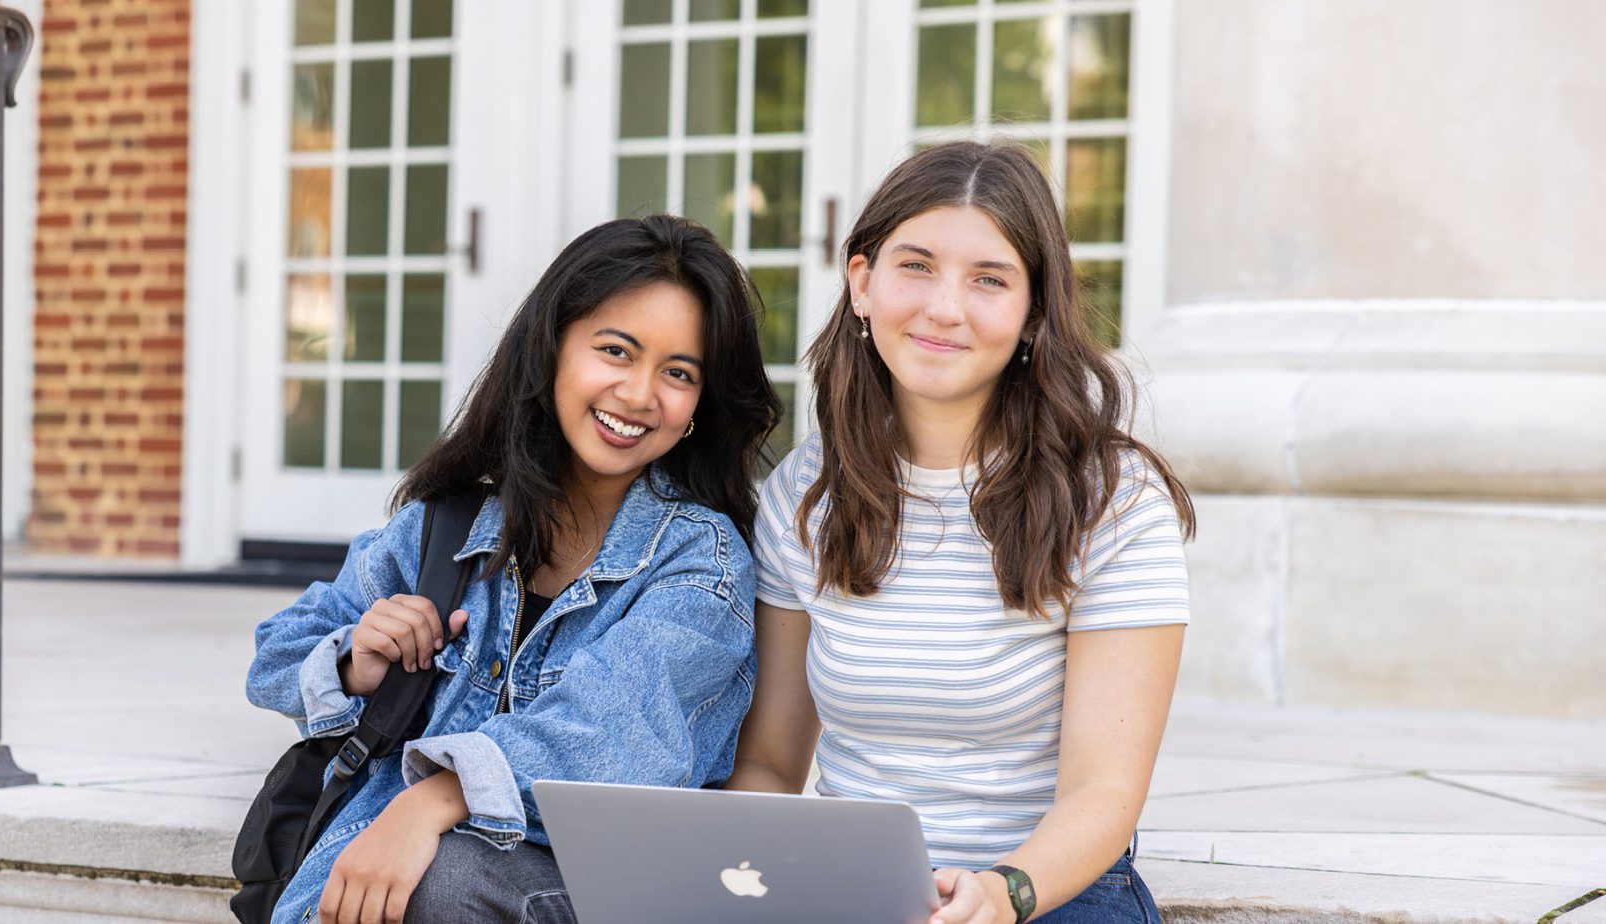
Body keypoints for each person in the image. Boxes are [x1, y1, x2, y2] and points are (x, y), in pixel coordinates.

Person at [246, 214, 783, 924]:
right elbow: (276, 655)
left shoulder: (702, 560)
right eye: (617, 351)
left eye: (678, 373)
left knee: (447, 877)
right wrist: (355, 660)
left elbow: (612, 734)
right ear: (553, 346)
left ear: (698, 409)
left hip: (605, 883)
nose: (639, 393)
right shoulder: (449, 528)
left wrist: (430, 803)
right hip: (400, 864)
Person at [726, 141, 1196, 924]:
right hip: (852, 890)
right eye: (916, 266)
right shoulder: (803, 495)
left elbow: (1104, 790)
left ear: (1033, 314)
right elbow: (772, 764)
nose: (945, 308)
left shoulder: (1111, 500)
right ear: (862, 282)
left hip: (1047, 893)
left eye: (988, 280)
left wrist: (1000, 893)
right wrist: (734, 874)